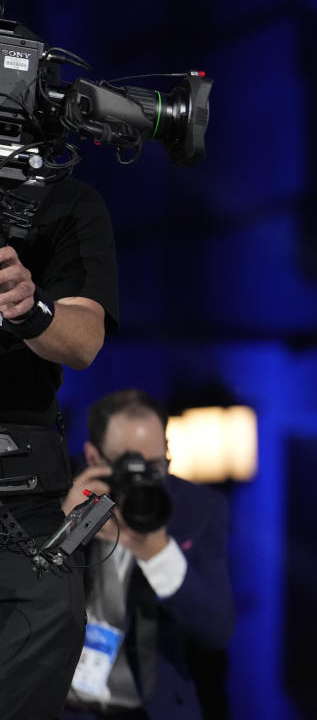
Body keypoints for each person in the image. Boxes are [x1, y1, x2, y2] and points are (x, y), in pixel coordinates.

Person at [0, 169, 119, 720]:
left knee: (51, 612)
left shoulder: (71, 201)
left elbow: (85, 338)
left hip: (22, 490)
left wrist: (29, 310)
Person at [60, 389, 235, 720]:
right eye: (130, 466)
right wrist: (62, 530)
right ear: (94, 458)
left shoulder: (194, 508)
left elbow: (217, 629)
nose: (143, 479)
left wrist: (156, 551)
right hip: (63, 707)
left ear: (168, 452)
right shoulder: (64, 495)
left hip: (154, 709)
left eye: (155, 465)